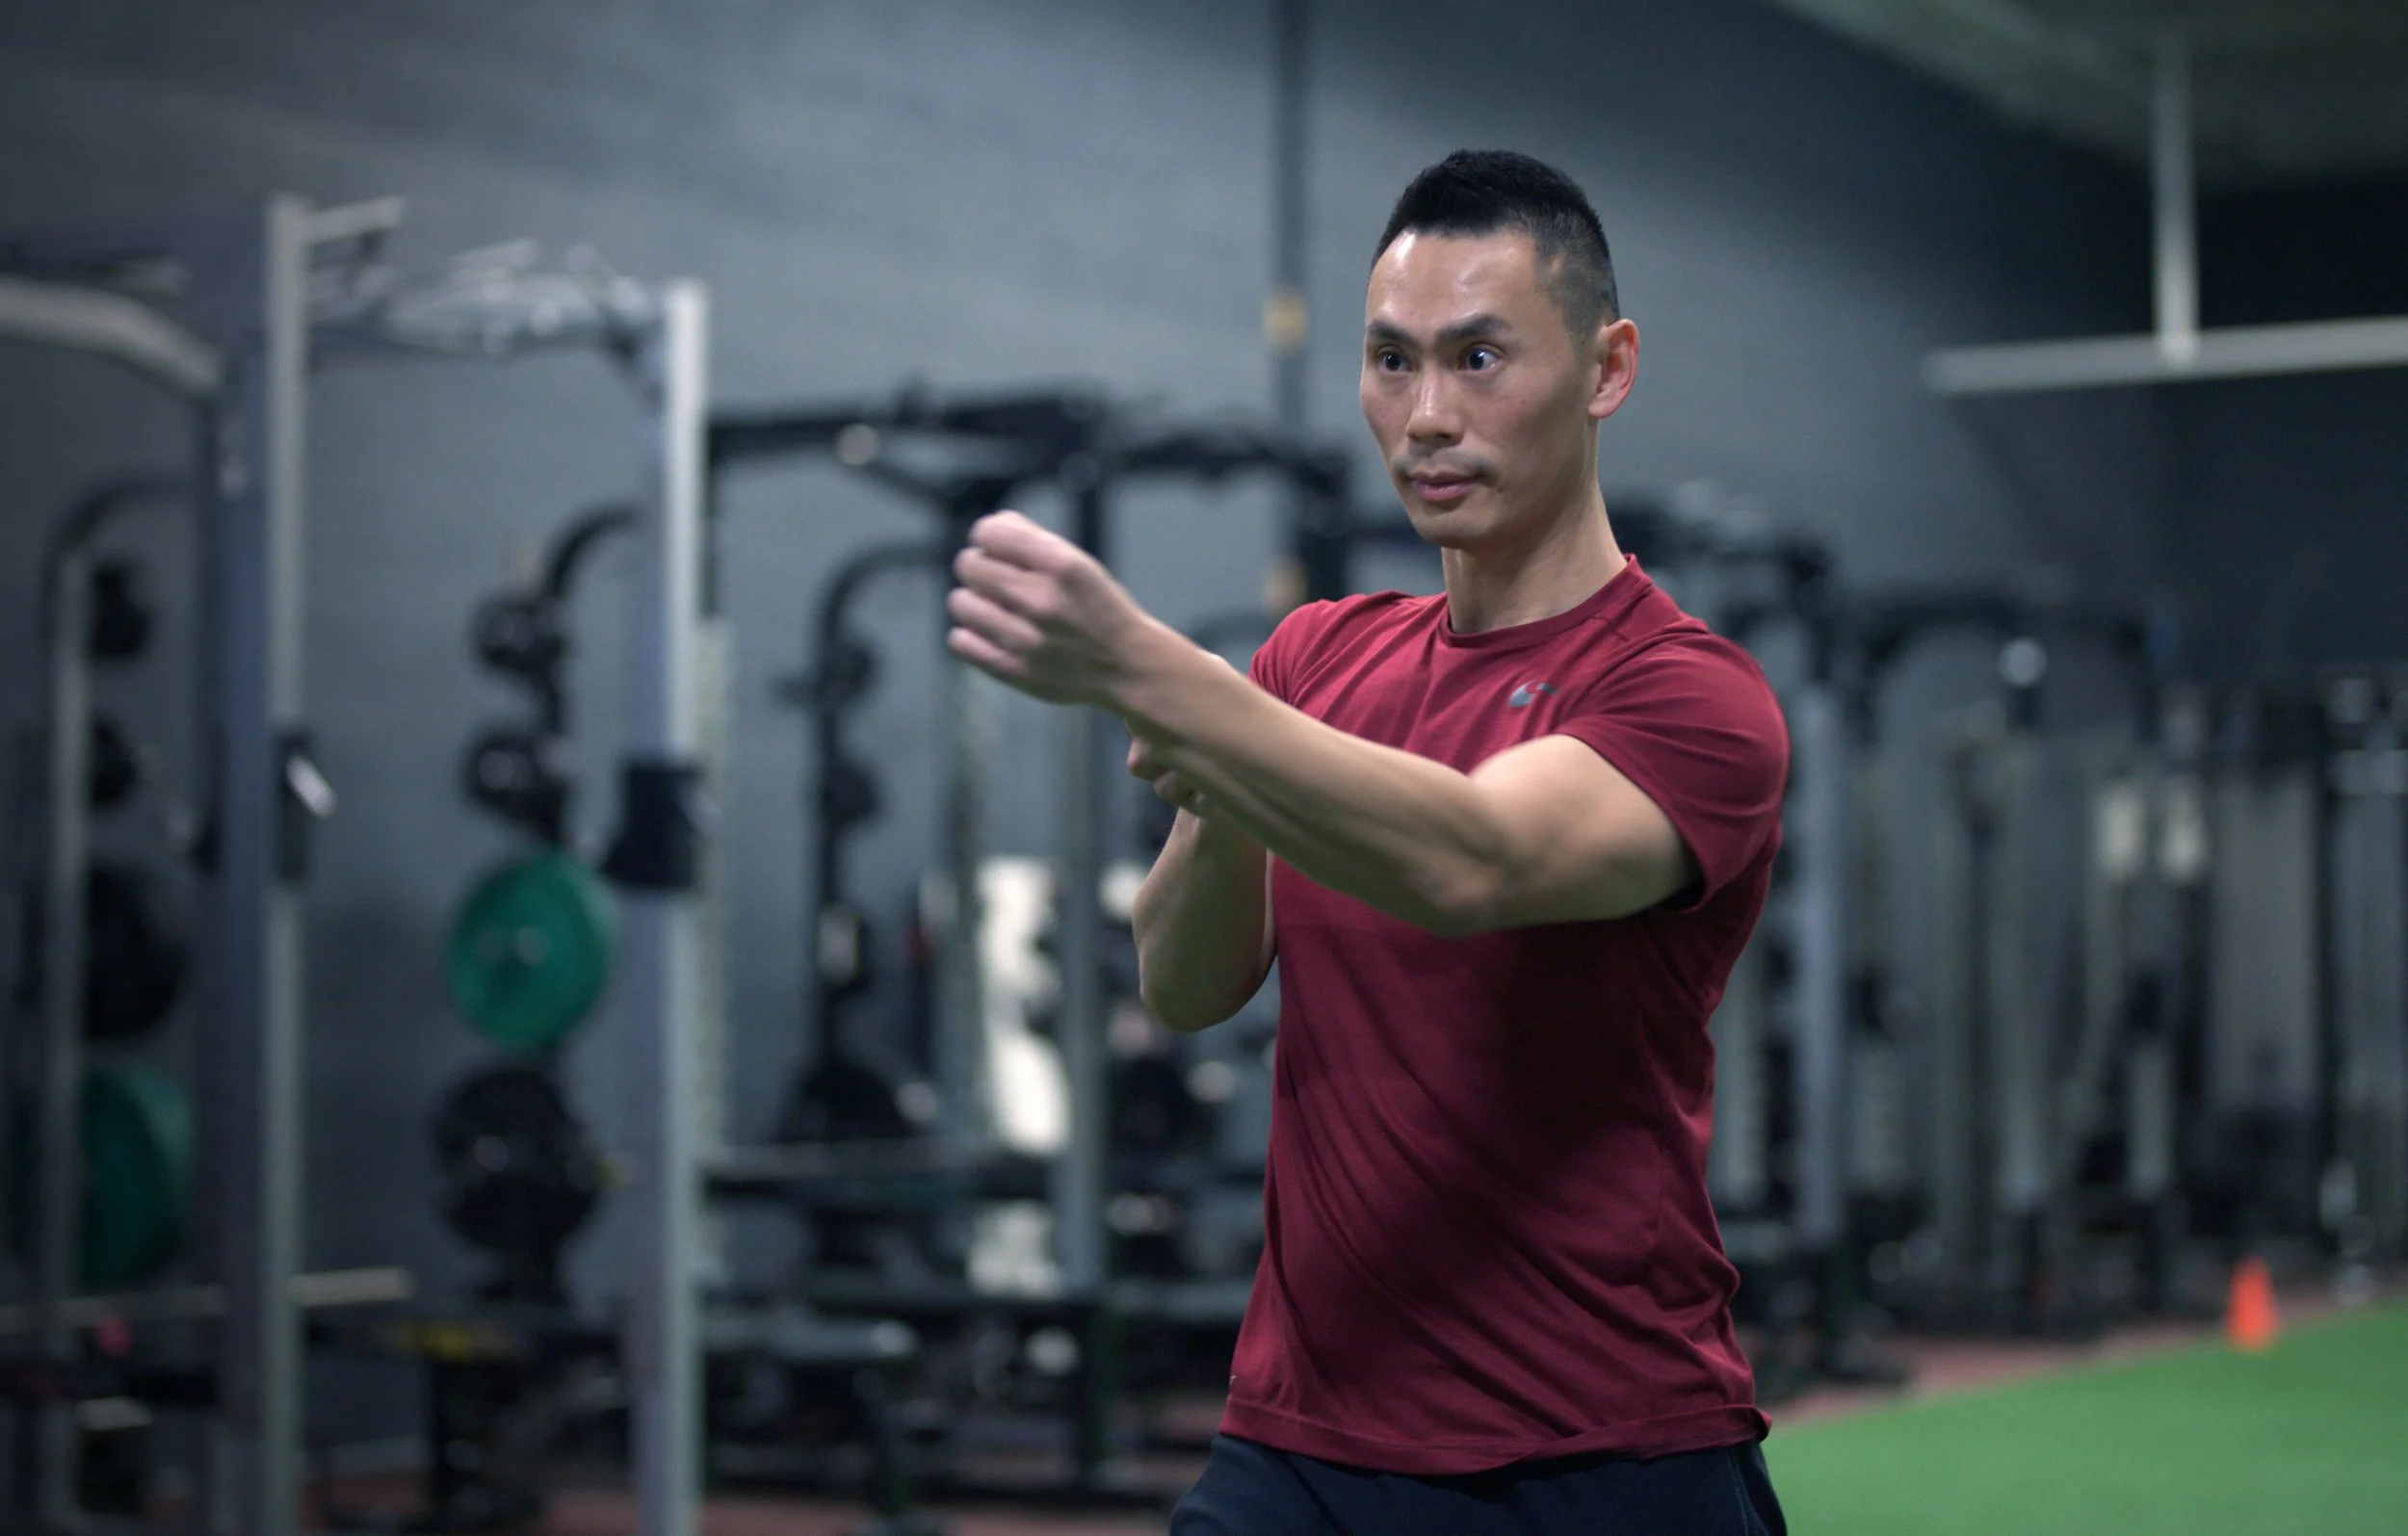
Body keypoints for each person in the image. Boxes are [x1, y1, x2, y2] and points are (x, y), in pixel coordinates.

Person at [944, 149, 1789, 1535]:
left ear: (1608, 368)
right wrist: (1218, 789)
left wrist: (1159, 676)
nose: (1427, 416)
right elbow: (1182, 978)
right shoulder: (1317, 658)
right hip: (1301, 1442)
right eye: (1391, 362)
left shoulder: (1689, 694)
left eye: (1478, 358)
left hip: (1599, 1457)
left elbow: (1474, 861)